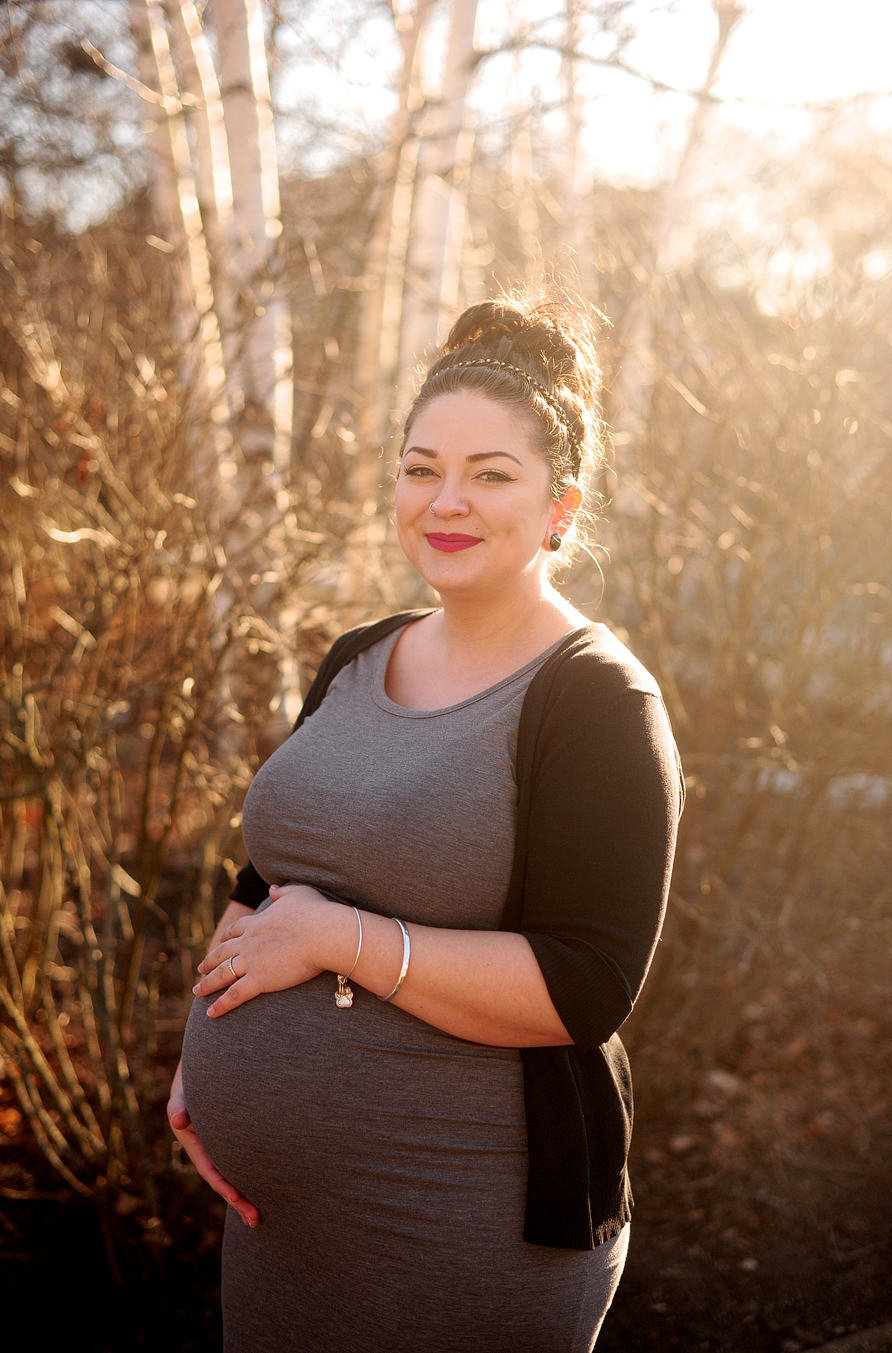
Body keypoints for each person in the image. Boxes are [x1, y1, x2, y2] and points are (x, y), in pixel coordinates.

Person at [169, 294, 683, 1353]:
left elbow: (586, 987)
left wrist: (338, 940)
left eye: (491, 474)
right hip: (280, 1233)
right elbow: (274, 868)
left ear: (562, 509)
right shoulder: (360, 653)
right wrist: (201, 1062)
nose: (446, 501)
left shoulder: (597, 701)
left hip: (464, 1228)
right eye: (420, 468)